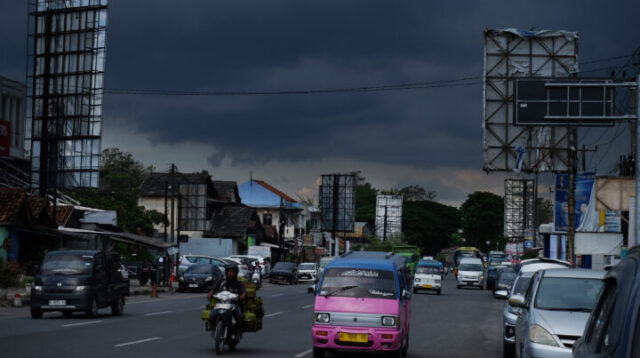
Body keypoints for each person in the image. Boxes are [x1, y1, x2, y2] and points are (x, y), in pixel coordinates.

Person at [208, 264, 247, 337]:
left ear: (235, 273)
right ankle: (215, 328)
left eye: (232, 272)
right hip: (221, 303)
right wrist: (210, 294)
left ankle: (238, 331)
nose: (230, 273)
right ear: (226, 273)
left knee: (238, 315)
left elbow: (244, 292)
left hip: (234, 304)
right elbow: (213, 289)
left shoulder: (239, 284)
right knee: (211, 315)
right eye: (229, 272)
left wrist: (241, 296)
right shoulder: (221, 282)